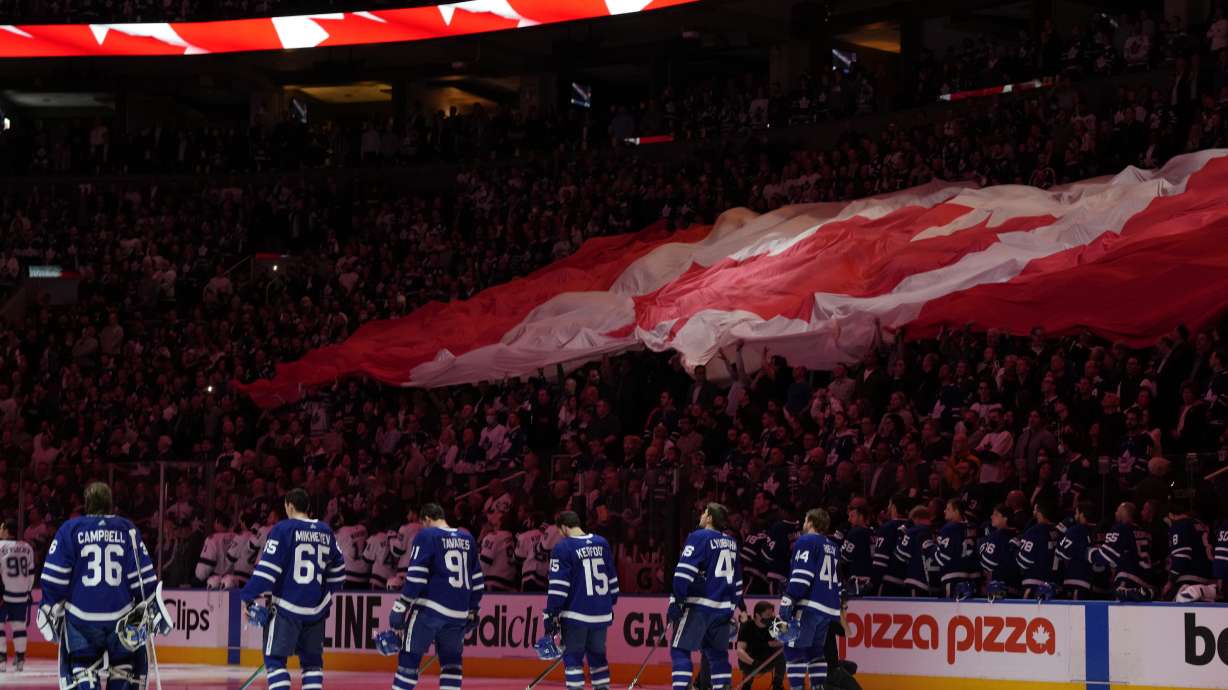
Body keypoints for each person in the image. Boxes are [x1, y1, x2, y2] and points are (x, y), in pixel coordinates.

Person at [37, 482, 171, 690]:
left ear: (86, 504)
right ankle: (121, 675)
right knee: (123, 669)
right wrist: (149, 608)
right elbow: (142, 581)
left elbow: (54, 579)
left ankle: (86, 676)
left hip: (81, 620)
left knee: (83, 669)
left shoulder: (69, 529)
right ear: (110, 504)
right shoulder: (128, 529)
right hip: (122, 618)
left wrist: (48, 606)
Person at [240, 487, 347, 690]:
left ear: (289, 506)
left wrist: (247, 595)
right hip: (316, 612)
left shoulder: (282, 529)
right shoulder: (326, 531)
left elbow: (266, 571)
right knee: (313, 664)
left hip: (286, 609)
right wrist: (323, 597)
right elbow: (339, 574)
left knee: (275, 661)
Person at [380, 503, 484, 690]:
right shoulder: (467, 538)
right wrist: (473, 609)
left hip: (429, 610)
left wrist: (401, 606)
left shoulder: (426, 535)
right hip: (458, 614)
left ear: (427, 519)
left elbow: (416, 576)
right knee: (451, 663)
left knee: (409, 659)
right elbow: (477, 580)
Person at [541, 510, 619, 690]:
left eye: (560, 531)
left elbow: (558, 587)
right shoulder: (602, 543)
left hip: (576, 615)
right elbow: (612, 580)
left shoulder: (563, 548)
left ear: (564, 527)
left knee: (573, 659)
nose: (560, 535)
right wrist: (608, 602)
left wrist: (552, 614)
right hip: (601, 614)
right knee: (598, 658)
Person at [668, 502, 742, 690]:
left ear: (709, 518)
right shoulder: (732, 543)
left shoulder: (698, 537)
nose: (701, 515)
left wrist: (677, 601)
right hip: (722, 609)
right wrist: (732, 607)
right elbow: (738, 582)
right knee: (718, 656)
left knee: (680, 650)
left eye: (704, 513)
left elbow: (683, 573)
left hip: (699, 606)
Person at [777, 509, 842, 690]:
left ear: (811, 521)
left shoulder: (805, 541)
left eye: (805, 520)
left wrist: (789, 599)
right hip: (827, 609)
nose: (803, 524)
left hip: (808, 606)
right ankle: (818, 687)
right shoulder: (833, 547)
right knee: (815, 651)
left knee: (793, 649)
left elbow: (802, 575)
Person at [1090, 502, 1152, 600]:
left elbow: (1104, 557)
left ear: (1123, 514)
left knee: (1119, 613)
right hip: (1145, 581)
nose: (1115, 513)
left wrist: (1089, 553)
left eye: (1117, 511)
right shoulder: (1143, 531)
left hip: (1127, 580)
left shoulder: (1120, 529)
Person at [0, 519, 34, 672]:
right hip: (21, 593)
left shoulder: (0, 546)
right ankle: (20, 659)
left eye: (1, 528)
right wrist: (27, 591)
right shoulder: (27, 547)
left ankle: (1, 659)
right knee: (19, 627)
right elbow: (32, 574)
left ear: (6, 530)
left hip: (4, 594)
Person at [928, 499, 978, 598]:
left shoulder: (949, 528)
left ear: (956, 511)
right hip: (971, 580)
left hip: (952, 579)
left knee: (951, 612)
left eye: (948, 509)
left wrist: (929, 548)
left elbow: (942, 558)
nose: (944, 511)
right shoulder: (972, 528)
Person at [1164, 505, 1215, 599]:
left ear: (1171, 515)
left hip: (1189, 581)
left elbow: (1181, 556)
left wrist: (1170, 581)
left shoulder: (1179, 524)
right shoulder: (1203, 525)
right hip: (1208, 580)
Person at [736, 602, 784, 690]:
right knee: (746, 656)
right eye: (768, 615)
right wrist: (754, 663)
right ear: (757, 615)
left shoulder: (774, 623)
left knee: (782, 653)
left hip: (769, 658)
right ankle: (746, 685)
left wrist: (781, 629)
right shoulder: (747, 626)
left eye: (772, 614)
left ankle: (777, 685)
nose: (771, 617)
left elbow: (790, 638)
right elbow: (740, 651)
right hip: (752, 661)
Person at [1055, 501, 1097, 599]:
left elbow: (1060, 553)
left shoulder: (1076, 530)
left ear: (1082, 514)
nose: (1075, 516)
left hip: (1076, 582)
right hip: (1094, 584)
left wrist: (1061, 536)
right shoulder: (1098, 530)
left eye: (1076, 513)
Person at [1016, 502, 1058, 599]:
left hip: (1034, 587)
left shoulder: (1034, 531)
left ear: (1039, 513)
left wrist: (1016, 548)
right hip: (1054, 588)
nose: (1033, 512)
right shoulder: (1058, 531)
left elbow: (1023, 562)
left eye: (1035, 509)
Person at [871, 495, 910, 596]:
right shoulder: (913, 528)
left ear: (894, 507)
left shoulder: (887, 528)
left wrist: (873, 586)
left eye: (889, 505)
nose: (888, 508)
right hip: (909, 587)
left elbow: (880, 563)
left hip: (889, 585)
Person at [978, 504, 1019, 599]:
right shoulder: (1018, 535)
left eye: (996, 514)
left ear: (1005, 518)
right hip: (1015, 589)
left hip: (998, 590)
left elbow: (987, 564)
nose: (991, 517)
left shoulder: (996, 536)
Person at [894, 506, 934, 597]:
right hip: (934, 583)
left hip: (916, 580)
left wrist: (900, 536)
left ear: (916, 518)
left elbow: (901, 556)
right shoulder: (935, 531)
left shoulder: (913, 531)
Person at [839, 505, 874, 596]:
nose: (849, 520)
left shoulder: (854, 533)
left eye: (852, 516)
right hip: (871, 581)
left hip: (857, 582)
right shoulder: (873, 533)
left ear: (861, 517)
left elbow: (844, 558)